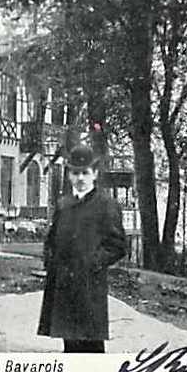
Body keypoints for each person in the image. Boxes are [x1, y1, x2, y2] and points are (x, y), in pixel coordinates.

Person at [37, 144, 127, 353]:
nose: (80, 178)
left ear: (94, 174)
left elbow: (118, 246)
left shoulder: (106, 205)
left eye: (85, 173)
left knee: (91, 344)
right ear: (69, 175)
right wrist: (50, 260)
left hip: (89, 285)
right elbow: (52, 238)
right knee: (69, 341)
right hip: (63, 284)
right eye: (75, 173)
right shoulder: (64, 204)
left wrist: (93, 262)